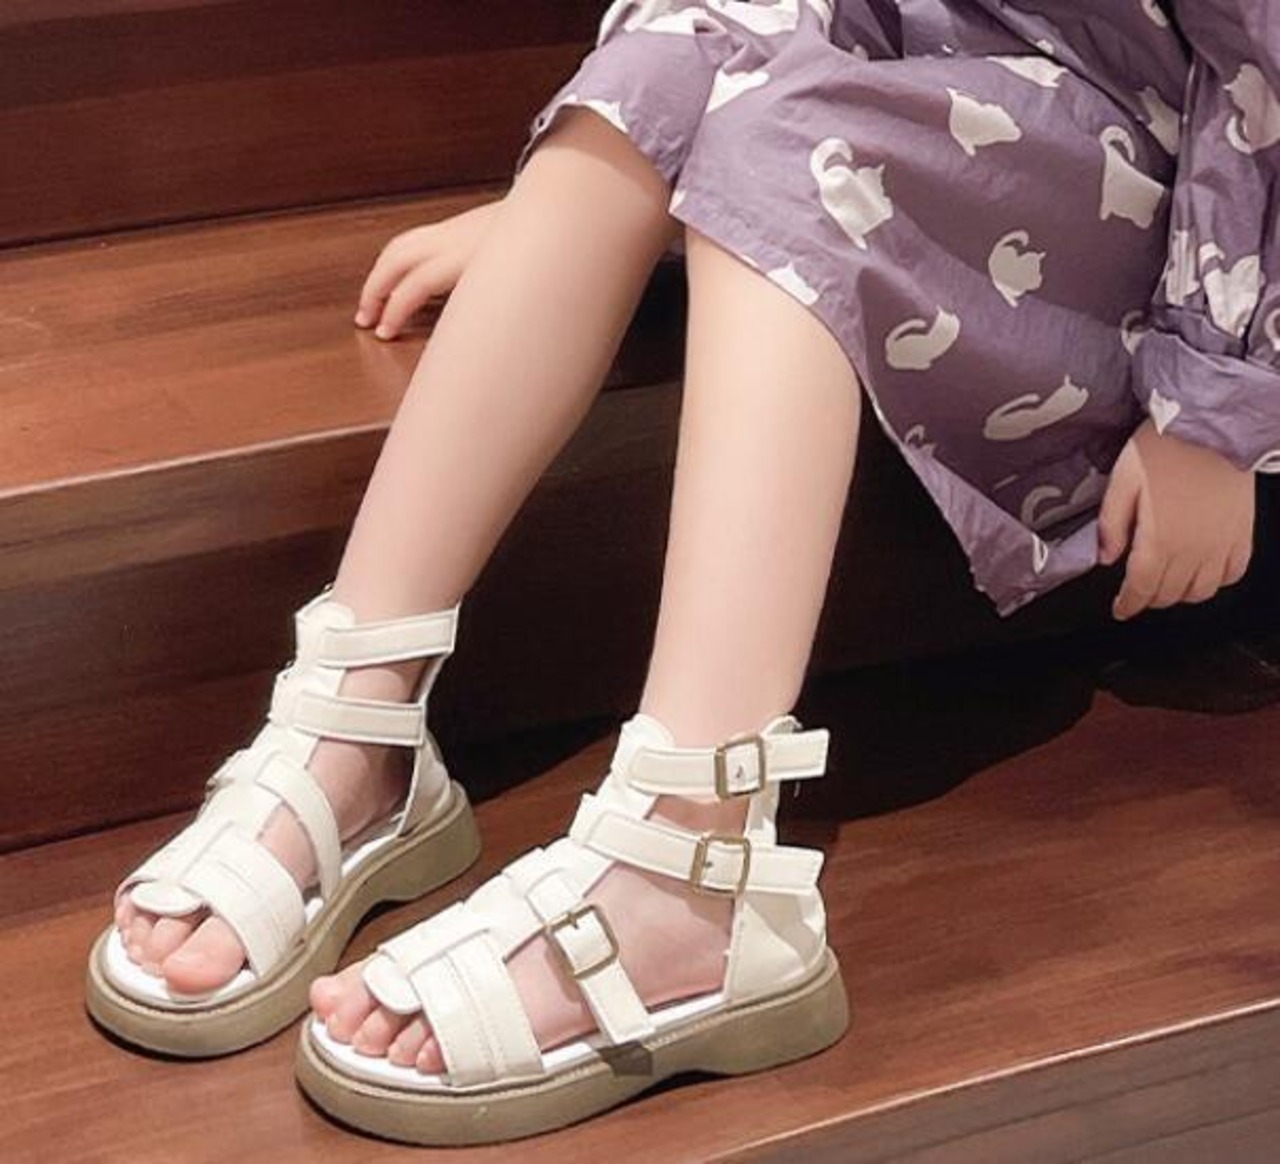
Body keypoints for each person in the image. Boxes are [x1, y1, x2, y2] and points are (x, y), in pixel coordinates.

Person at [85, 0, 1277, 1145]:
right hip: (913, 79)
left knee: (791, 145)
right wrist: (594, 181)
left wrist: (1215, 397)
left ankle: (694, 869)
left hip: (1159, 173)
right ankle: (359, 722)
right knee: (660, 57)